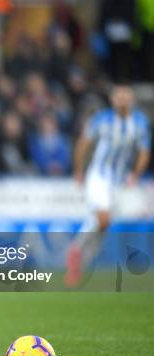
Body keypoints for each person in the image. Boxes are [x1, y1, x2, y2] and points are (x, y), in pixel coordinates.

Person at [65, 84, 151, 287]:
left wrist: (135, 175)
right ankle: (75, 250)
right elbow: (83, 144)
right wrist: (78, 171)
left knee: (103, 226)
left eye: (125, 95)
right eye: (118, 95)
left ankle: (79, 264)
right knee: (103, 219)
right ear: (112, 99)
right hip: (98, 175)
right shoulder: (101, 119)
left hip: (118, 180)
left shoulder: (139, 123)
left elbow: (144, 152)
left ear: (131, 99)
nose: (121, 99)